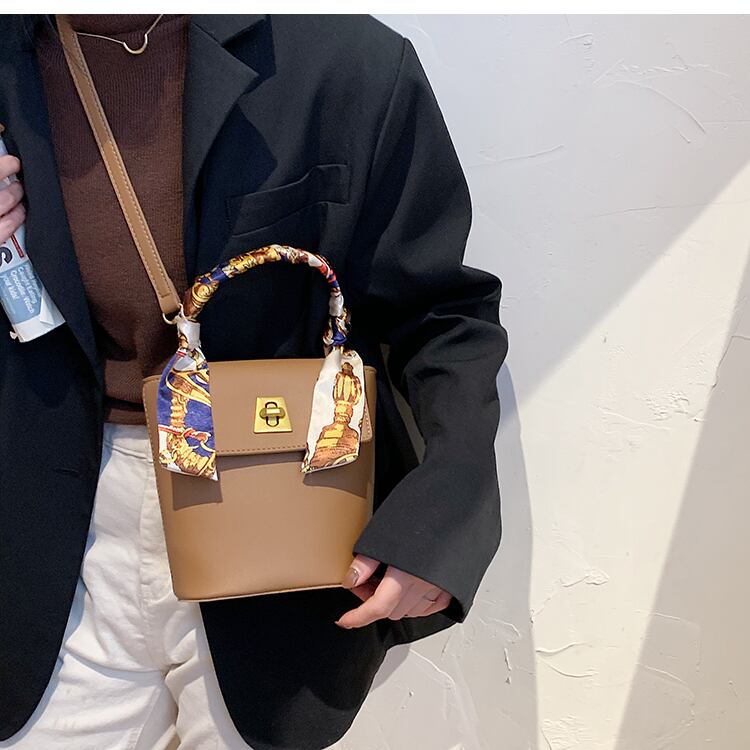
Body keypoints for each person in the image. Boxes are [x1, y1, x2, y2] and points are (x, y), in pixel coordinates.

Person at [0, 13, 509, 750]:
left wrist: (442, 518)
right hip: (46, 542)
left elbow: (440, 314)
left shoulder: (344, 62)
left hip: (284, 529)